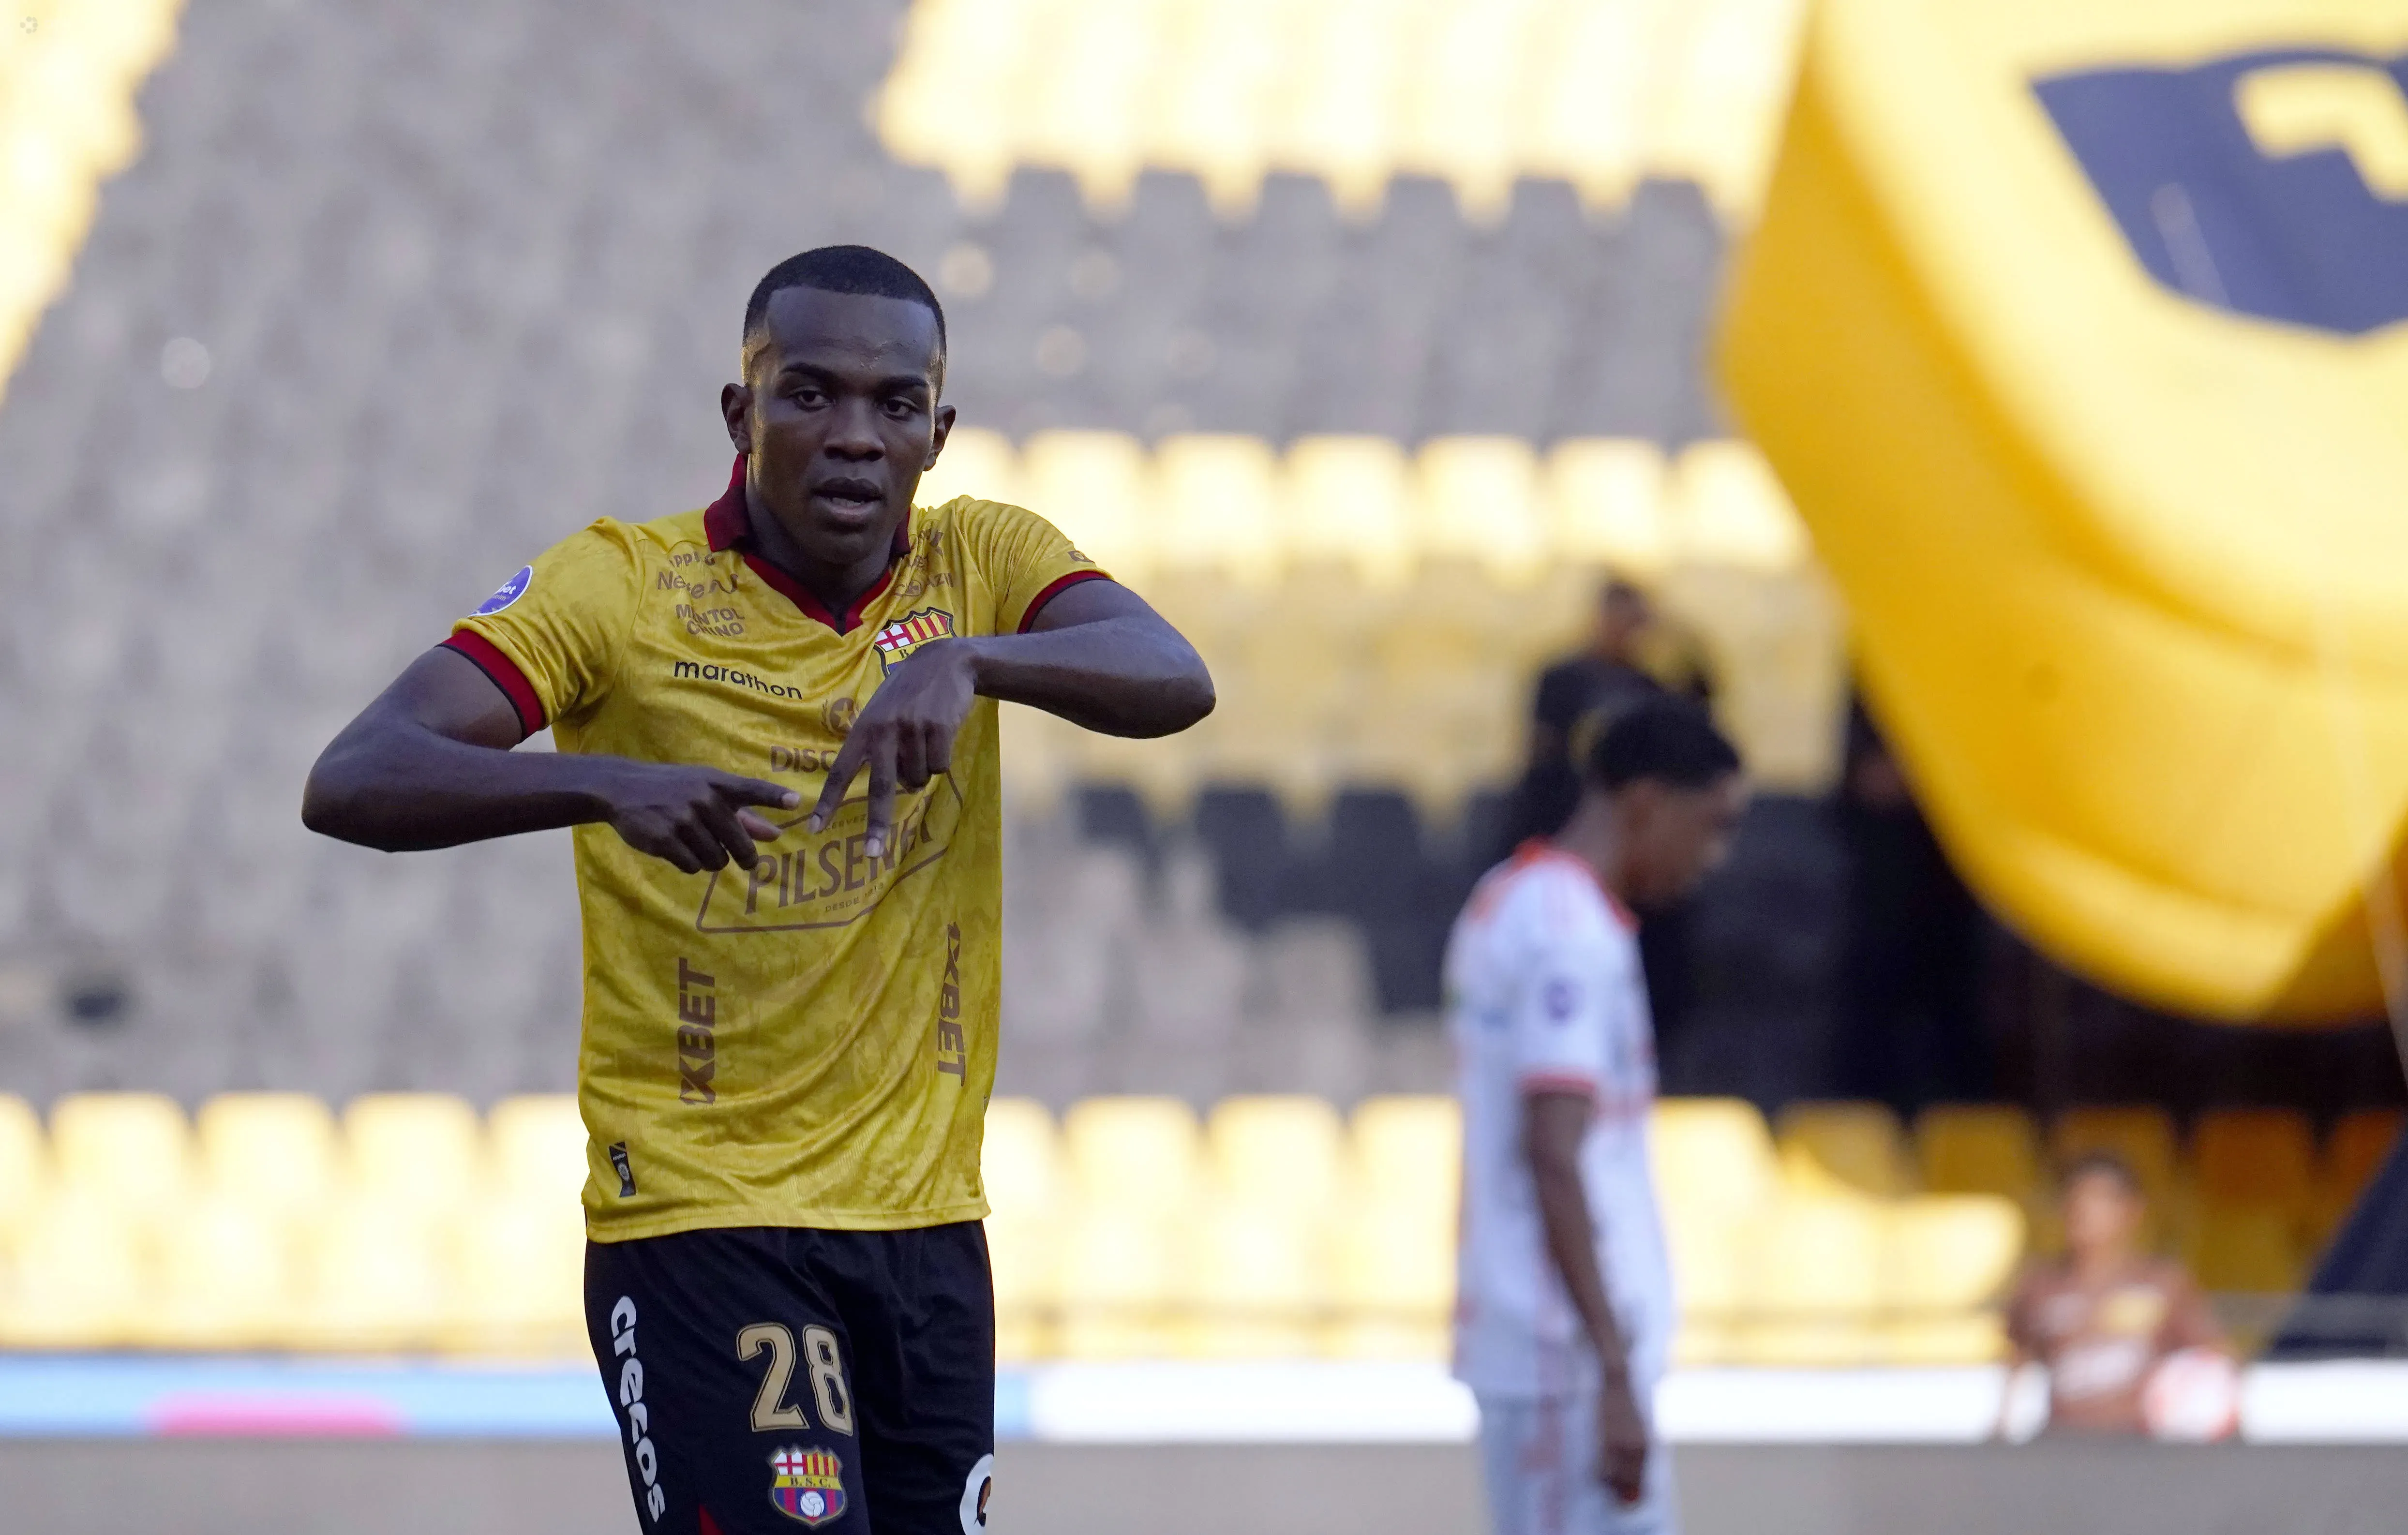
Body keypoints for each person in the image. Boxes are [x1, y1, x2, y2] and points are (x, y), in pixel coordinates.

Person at [302, 245, 1213, 1533]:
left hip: (927, 1230)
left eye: (895, 406)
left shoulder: (984, 565)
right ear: (741, 414)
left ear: (939, 433)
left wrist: (975, 660)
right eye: (809, 395)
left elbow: (1174, 674)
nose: (852, 437)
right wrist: (608, 785)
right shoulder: (618, 588)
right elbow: (357, 773)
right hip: (702, 1219)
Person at [1449, 697, 1747, 1535]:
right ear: (1647, 803)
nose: (1713, 856)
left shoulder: (1519, 899)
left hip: (1566, 1355)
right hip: (1566, 1359)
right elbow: (1555, 1148)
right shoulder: (1566, 934)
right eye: (1712, 824)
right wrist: (1612, 1368)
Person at [1502, 580, 1716, 1047]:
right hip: (1578, 841)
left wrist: (1676, 636)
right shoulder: (1563, 678)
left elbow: (1705, 715)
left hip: (1634, 858)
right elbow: (1546, 764)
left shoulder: (1653, 683)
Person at [1997, 1152, 2227, 1438]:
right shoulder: (2041, 1284)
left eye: (2098, 1201)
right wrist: (2001, 1430)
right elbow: (2017, 1358)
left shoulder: (2163, 1283)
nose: (2083, 1212)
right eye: (2076, 1201)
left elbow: (2213, 1357)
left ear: (2130, 1211)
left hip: (2140, 1446)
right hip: (2062, 1442)